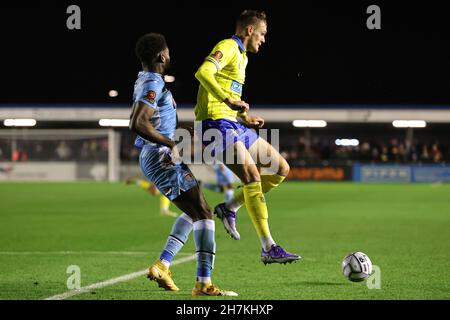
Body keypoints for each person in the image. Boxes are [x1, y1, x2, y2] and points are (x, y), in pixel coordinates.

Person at [129, 32, 237, 296]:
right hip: (161, 156)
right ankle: (203, 284)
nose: (170, 55)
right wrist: (169, 143)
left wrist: (186, 131)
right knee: (204, 211)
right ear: (161, 56)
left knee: (193, 211)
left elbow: (155, 121)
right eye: (168, 51)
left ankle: (163, 264)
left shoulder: (148, 80)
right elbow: (137, 122)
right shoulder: (152, 82)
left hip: (157, 155)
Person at [194, 10, 300, 264]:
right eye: (262, 34)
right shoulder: (228, 46)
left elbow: (227, 94)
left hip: (231, 123)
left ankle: (230, 207)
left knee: (280, 168)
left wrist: (244, 118)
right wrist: (227, 99)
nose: (263, 39)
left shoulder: (243, 58)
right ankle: (269, 247)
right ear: (250, 30)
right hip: (213, 124)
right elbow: (203, 72)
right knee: (251, 175)